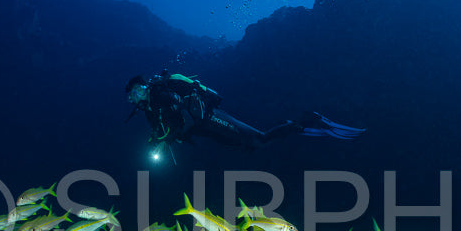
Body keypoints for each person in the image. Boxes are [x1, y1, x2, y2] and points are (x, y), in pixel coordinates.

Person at [125, 73, 364, 155]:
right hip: (204, 128)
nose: (134, 98)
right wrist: (157, 140)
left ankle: (306, 121)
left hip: (208, 118)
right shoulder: (149, 108)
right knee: (247, 147)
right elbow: (166, 129)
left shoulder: (160, 95)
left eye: (136, 91)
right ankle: (297, 126)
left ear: (144, 86)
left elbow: (178, 121)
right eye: (131, 96)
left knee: (258, 140)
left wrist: (162, 139)